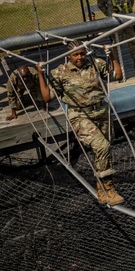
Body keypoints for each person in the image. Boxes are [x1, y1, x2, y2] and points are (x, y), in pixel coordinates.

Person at [37, 41, 126, 206]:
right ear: (68, 56)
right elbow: (47, 97)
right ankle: (107, 189)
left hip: (100, 111)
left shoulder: (95, 63)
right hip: (79, 114)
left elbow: (118, 76)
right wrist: (40, 74)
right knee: (102, 146)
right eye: (76, 55)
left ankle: (103, 186)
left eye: (82, 54)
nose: (80, 57)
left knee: (106, 147)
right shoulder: (60, 72)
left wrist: (111, 55)